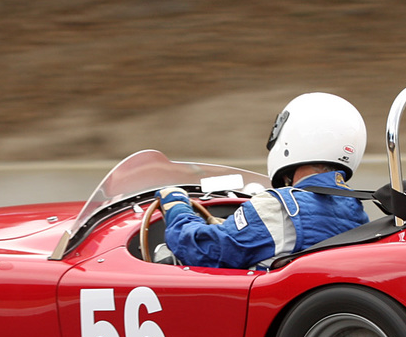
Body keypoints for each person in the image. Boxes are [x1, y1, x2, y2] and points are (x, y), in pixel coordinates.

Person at [156, 92, 370, 269]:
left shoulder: (282, 206)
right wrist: (224, 225)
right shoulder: (357, 213)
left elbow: (204, 251)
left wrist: (176, 207)